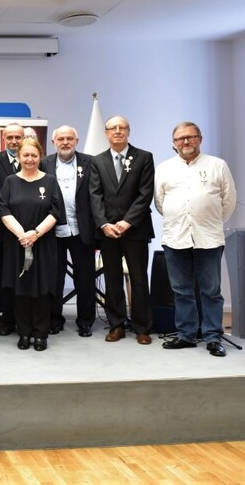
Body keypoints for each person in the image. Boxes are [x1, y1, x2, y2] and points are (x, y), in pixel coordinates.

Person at [155, 122, 236, 357]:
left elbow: (229, 201)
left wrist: (209, 220)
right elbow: (160, 202)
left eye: (190, 137)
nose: (186, 142)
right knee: (181, 290)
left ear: (200, 138)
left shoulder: (217, 165)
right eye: (180, 138)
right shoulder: (164, 168)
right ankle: (186, 335)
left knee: (211, 291)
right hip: (175, 237)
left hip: (208, 238)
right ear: (174, 143)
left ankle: (213, 337)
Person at [89, 115, 155, 345]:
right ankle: (116, 325)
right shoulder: (97, 161)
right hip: (107, 231)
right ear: (106, 133)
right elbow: (94, 195)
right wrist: (104, 224)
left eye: (122, 127)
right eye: (112, 128)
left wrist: (127, 222)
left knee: (139, 279)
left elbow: (145, 193)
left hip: (136, 229)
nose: (117, 131)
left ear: (128, 131)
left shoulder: (144, 157)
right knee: (112, 278)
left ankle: (142, 327)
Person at [0, 138, 65, 352]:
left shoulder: (50, 181)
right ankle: (24, 332)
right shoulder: (10, 181)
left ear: (40, 157)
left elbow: (56, 212)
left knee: (42, 288)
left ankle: (40, 334)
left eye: (34, 155)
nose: (30, 159)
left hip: (43, 243)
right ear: (19, 157)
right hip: (16, 242)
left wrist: (35, 233)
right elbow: (3, 210)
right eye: (26, 155)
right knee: (20, 288)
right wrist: (22, 235)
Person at [43, 125, 97, 337]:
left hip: (82, 230)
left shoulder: (91, 162)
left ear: (77, 141)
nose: (65, 142)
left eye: (69, 138)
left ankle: (85, 321)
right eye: (61, 139)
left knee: (85, 278)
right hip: (53, 230)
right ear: (53, 142)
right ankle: (54, 319)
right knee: (54, 278)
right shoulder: (44, 163)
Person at [0, 123, 26, 336]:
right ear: (4, 139)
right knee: (3, 274)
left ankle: (25, 316)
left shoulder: (33, 158)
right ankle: (2, 314)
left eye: (17, 137)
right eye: (10, 137)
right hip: (1, 229)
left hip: (29, 228)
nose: (14, 141)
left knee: (26, 274)